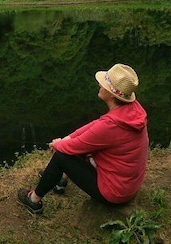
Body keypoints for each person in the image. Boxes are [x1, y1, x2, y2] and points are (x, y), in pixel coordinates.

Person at [17, 63, 149, 215]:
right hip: (128, 184)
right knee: (78, 145)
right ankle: (60, 179)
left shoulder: (110, 126)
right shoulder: (133, 111)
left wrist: (59, 144)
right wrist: (68, 137)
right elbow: (95, 127)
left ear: (113, 94)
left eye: (104, 83)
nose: (99, 84)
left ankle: (33, 200)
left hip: (114, 193)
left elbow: (74, 145)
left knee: (61, 156)